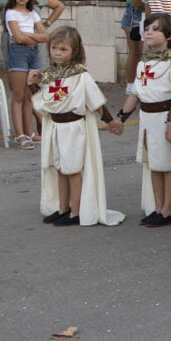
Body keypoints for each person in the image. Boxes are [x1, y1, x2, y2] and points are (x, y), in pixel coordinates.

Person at [28, 26, 125, 227]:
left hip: (73, 128)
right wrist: (32, 85)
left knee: (72, 170)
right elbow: (45, 104)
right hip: (56, 127)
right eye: (54, 48)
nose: (57, 53)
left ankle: (77, 212)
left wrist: (110, 122)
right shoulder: (49, 75)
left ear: (75, 51)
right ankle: (63, 209)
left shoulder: (81, 75)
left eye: (63, 49)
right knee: (60, 169)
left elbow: (95, 102)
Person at [110, 13, 171, 227]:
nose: (149, 32)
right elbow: (136, 93)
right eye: (147, 28)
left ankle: (167, 210)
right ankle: (157, 208)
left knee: (168, 165)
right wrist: (120, 118)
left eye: (155, 29)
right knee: (153, 163)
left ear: (169, 35)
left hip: (164, 118)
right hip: (146, 119)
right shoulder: (144, 63)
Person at [5, 0, 50, 150]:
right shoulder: (10, 13)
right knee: (18, 95)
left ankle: (30, 132)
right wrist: (27, 35)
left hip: (33, 53)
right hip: (18, 53)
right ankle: (19, 134)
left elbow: (46, 37)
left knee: (30, 94)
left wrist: (24, 34)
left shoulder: (33, 13)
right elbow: (18, 38)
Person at [120, 0, 145, 92]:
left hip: (140, 14)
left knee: (138, 53)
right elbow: (136, 0)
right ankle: (130, 84)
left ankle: (135, 83)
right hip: (133, 14)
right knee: (134, 52)